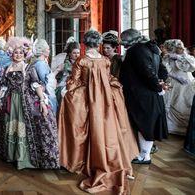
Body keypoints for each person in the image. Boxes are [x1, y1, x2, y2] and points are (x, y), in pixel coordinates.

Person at [59, 29, 138, 194]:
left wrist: (67, 90)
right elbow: (109, 79)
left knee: (86, 128)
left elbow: (74, 81)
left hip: (88, 100)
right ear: (98, 43)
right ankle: (111, 159)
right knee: (107, 128)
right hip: (105, 100)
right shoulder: (105, 60)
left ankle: (85, 160)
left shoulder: (81, 61)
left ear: (85, 43)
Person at [0, 36, 59, 170]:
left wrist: (42, 100)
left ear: (25, 54)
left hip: (25, 101)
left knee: (24, 127)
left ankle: (24, 158)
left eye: (21, 53)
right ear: (11, 53)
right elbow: (3, 85)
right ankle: (13, 155)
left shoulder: (28, 68)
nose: (18, 55)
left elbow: (36, 85)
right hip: (11, 101)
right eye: (16, 52)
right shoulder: (7, 68)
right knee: (13, 127)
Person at [120, 29, 169, 165]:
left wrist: (158, 86)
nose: (122, 43)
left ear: (130, 40)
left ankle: (144, 156)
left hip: (142, 94)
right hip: (150, 93)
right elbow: (162, 70)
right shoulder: (152, 49)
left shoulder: (137, 50)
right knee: (146, 124)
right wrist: (160, 83)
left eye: (123, 40)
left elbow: (147, 72)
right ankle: (143, 155)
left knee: (144, 125)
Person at [162, 39, 195, 135]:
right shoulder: (167, 57)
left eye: (181, 46)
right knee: (173, 102)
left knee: (186, 103)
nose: (181, 48)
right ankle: (171, 128)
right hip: (173, 82)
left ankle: (187, 130)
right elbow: (166, 69)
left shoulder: (188, 57)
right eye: (178, 46)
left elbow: (193, 66)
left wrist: (179, 57)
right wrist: (176, 77)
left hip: (187, 83)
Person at [55, 38, 80, 102]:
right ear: (69, 54)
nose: (77, 55)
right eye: (74, 53)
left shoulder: (81, 62)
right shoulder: (65, 64)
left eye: (78, 53)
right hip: (65, 85)